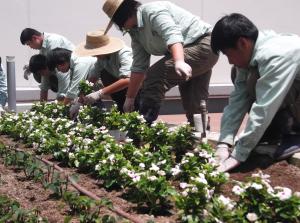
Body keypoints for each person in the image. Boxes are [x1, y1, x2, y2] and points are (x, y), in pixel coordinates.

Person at [102, 0, 219, 124]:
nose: (121, 28)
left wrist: (179, 61)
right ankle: (202, 135)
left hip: (202, 45)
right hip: (185, 52)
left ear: (124, 15)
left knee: (154, 77)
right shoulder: (135, 32)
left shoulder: (152, 11)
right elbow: (139, 67)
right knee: (193, 102)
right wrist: (129, 98)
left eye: (118, 23)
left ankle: (144, 125)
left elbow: (172, 34)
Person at [211, 13, 300, 172]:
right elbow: (238, 99)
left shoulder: (276, 56)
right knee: (242, 75)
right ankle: (279, 134)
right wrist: (224, 143)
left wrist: (238, 155)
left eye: (228, 54)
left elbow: (265, 106)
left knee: (260, 84)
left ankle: (293, 135)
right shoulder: (254, 49)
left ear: (242, 43)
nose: (230, 60)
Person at [74, 30, 139, 112]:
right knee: (104, 73)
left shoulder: (124, 53)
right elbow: (92, 78)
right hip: (122, 89)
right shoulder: (101, 58)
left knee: (142, 115)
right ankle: (121, 107)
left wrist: (99, 93)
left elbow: (128, 79)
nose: (94, 55)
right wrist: (81, 99)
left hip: (139, 87)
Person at [20, 28, 74, 101]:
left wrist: (61, 99)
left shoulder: (53, 43)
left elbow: (62, 74)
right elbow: (44, 73)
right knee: (37, 70)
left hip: (72, 72)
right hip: (64, 72)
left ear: (34, 38)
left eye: (29, 44)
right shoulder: (43, 47)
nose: (30, 47)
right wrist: (42, 105)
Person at [46, 48, 97, 116]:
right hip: (97, 85)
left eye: (57, 68)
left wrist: (61, 110)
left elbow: (73, 90)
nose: (59, 70)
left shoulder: (80, 63)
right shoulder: (73, 64)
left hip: (105, 83)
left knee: (87, 91)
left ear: (62, 63)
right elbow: (72, 87)